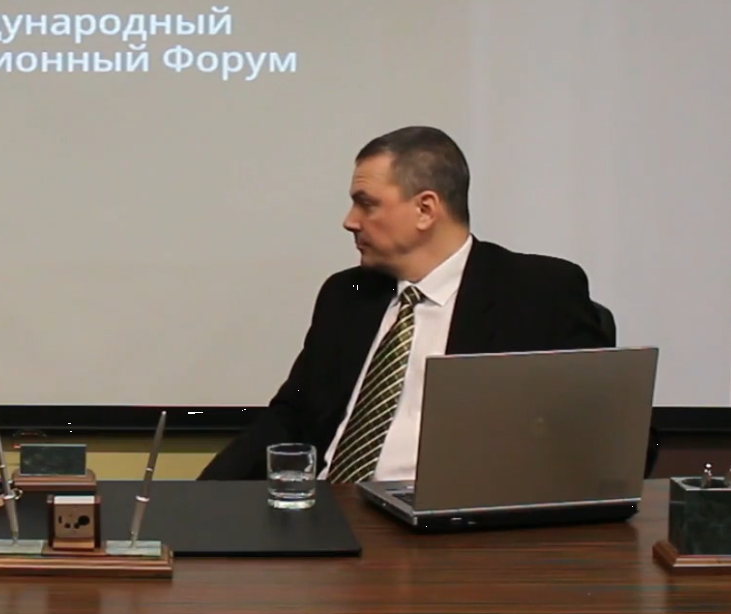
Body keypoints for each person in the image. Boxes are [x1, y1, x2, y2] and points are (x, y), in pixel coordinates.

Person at [199, 125, 649, 481]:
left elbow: (611, 435)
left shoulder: (536, 292)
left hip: (456, 533)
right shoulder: (346, 295)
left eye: (366, 204)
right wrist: (198, 498)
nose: (350, 221)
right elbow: (291, 417)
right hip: (329, 513)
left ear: (425, 210)